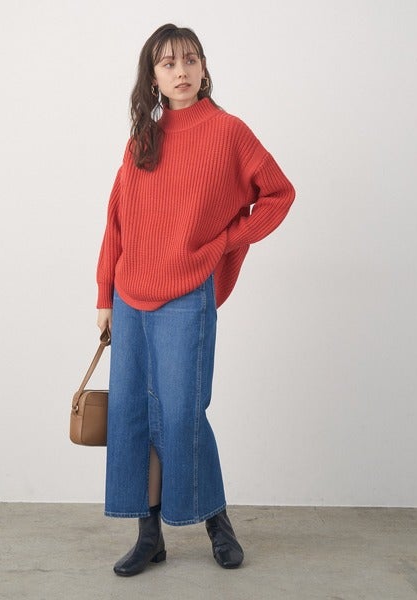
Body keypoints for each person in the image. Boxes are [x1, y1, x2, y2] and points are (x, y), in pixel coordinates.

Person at [95, 23, 295, 577]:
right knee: (135, 413)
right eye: (167, 63)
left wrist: (226, 241)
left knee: (183, 411)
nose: (180, 71)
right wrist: (104, 293)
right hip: (131, 293)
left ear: (204, 68)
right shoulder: (143, 139)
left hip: (187, 290)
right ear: (153, 77)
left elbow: (279, 193)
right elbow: (116, 220)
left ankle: (216, 522)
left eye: (189, 59)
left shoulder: (229, 132)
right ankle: (149, 536)